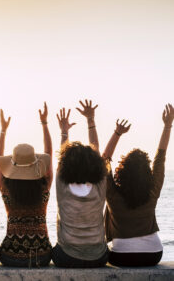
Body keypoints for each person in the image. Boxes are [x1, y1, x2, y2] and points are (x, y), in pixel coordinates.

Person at [104, 104, 174, 267]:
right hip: (153, 254)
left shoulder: (113, 196)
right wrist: (168, 125)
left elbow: (104, 161)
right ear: (147, 173)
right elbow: (160, 157)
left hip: (120, 256)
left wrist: (117, 133)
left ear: (122, 172)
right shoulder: (152, 191)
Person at [52, 100, 109, 268]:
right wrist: (91, 120)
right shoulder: (100, 185)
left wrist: (64, 132)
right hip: (98, 257)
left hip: (67, 256)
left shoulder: (62, 185)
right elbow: (97, 151)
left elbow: (62, 159)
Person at [0, 103, 53, 267]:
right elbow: (49, 152)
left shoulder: (5, 189)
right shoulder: (44, 188)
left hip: (10, 256)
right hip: (40, 256)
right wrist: (44, 124)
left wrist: (3, 131)